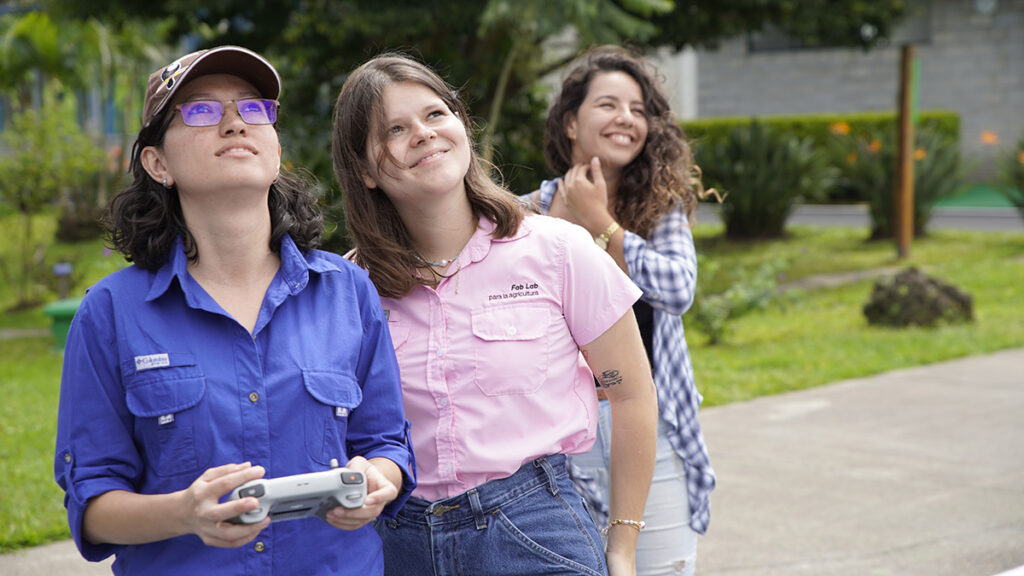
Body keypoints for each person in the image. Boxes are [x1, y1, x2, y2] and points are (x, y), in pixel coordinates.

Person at [53, 45, 415, 576]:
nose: (233, 124)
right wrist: (183, 513)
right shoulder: (109, 313)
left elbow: (387, 443)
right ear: (158, 163)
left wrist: (379, 481)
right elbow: (93, 506)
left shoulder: (348, 291)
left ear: (275, 149)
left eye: (252, 110)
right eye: (200, 110)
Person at [330, 53, 659, 576]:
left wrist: (622, 547)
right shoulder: (349, 287)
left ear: (461, 125)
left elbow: (631, 393)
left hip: (531, 530)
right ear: (365, 170)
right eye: (394, 128)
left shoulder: (559, 250)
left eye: (436, 114)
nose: (423, 133)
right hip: (397, 542)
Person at [529, 46, 717, 576]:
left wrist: (601, 223)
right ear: (571, 121)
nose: (626, 119)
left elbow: (679, 288)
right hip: (561, 436)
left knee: (660, 567)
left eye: (638, 110)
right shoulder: (525, 212)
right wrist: (566, 223)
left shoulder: (662, 210)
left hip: (650, 427)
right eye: (608, 104)